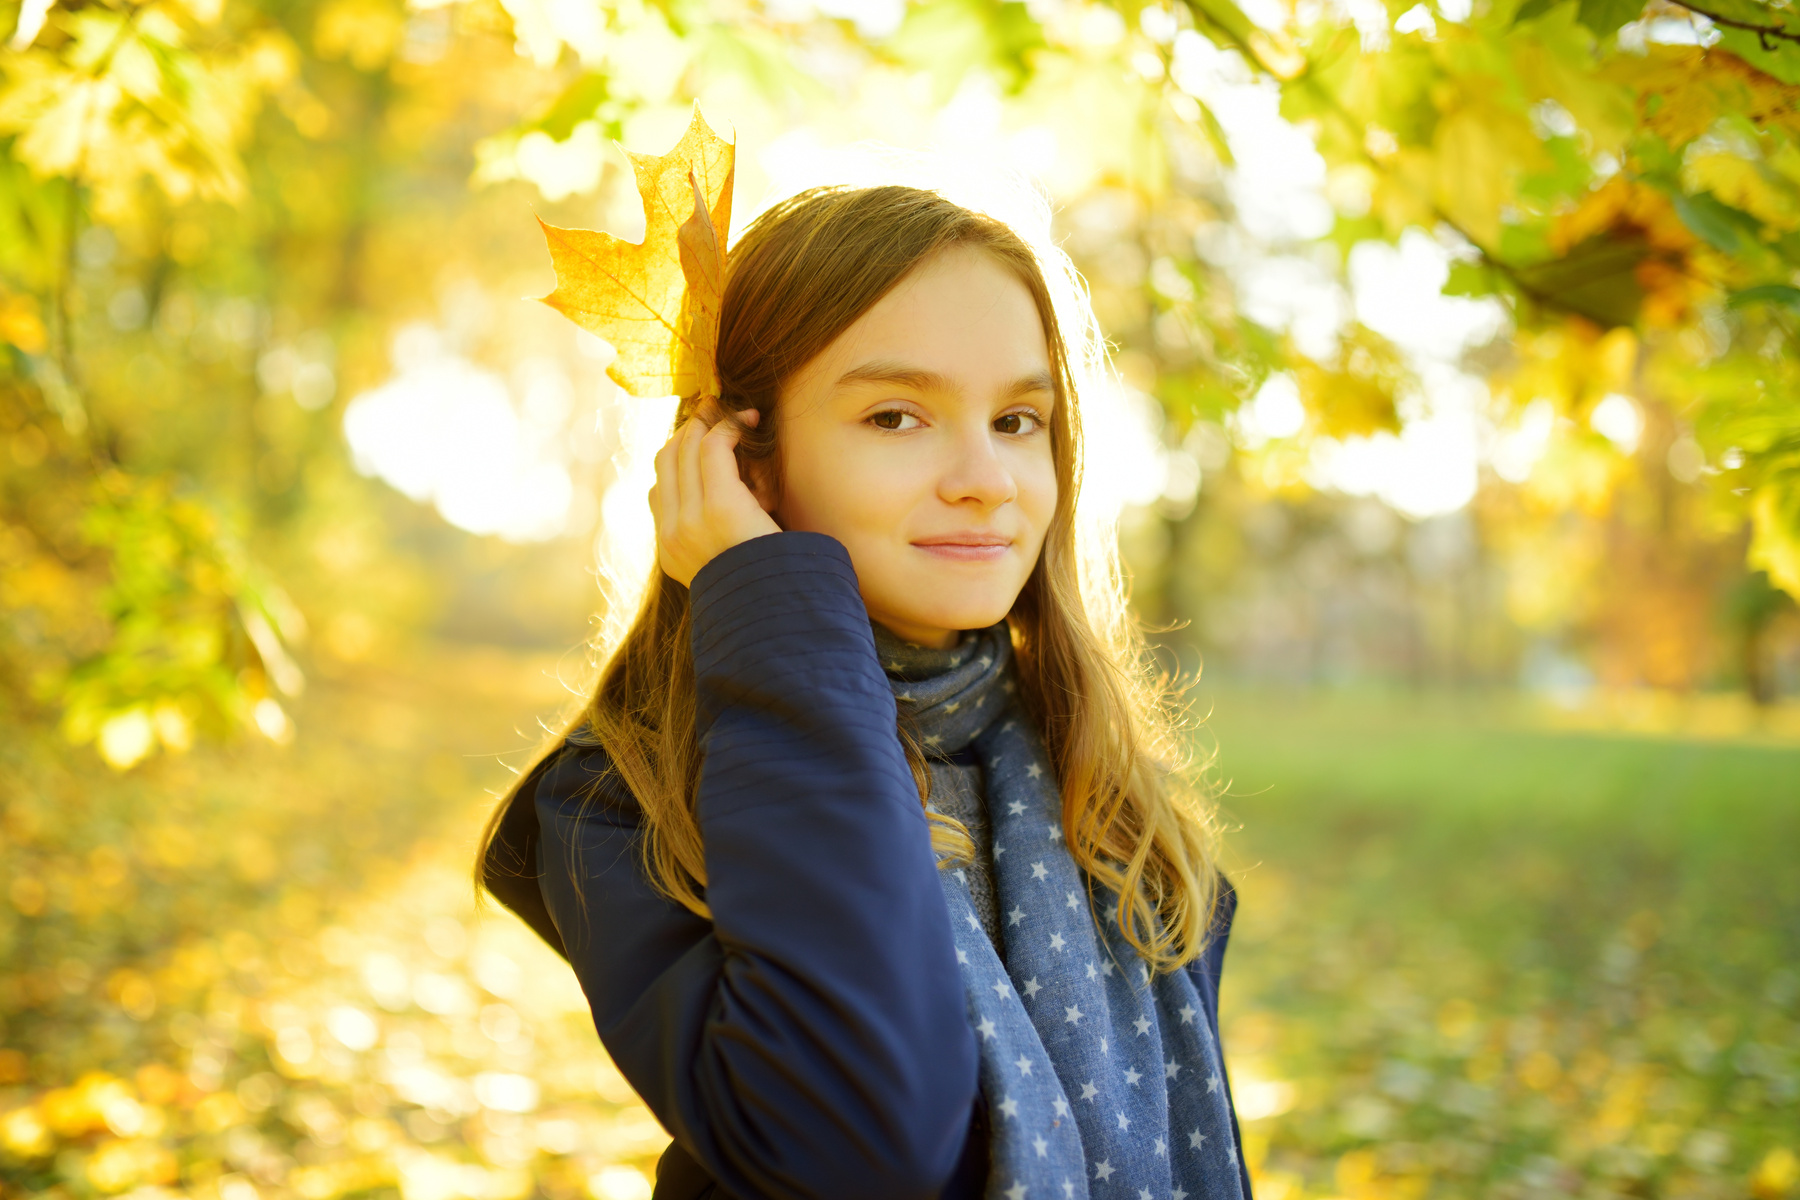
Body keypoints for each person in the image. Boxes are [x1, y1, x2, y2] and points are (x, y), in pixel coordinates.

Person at [478, 183, 1250, 1200]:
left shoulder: (1104, 797)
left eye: (1019, 419)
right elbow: (859, 1145)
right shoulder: (629, 801)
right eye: (897, 416)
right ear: (744, 464)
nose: (987, 478)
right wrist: (771, 617)